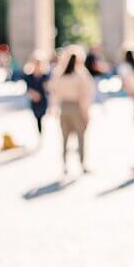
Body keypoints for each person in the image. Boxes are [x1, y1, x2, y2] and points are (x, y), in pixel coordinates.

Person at [48, 46, 96, 176]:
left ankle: (64, 164)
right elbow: (85, 96)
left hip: (64, 107)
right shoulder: (81, 74)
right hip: (76, 107)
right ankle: (82, 163)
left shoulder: (58, 73)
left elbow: (53, 92)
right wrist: (86, 113)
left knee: (65, 137)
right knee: (81, 137)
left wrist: (53, 108)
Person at [21, 51, 50, 143]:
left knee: (42, 116)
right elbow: (27, 88)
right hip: (34, 100)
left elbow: (48, 89)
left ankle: (41, 133)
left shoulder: (45, 75)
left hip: (42, 100)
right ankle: (39, 133)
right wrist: (33, 94)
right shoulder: (29, 76)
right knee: (37, 117)